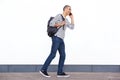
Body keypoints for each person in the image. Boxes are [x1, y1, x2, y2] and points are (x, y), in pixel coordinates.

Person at [40, 5, 74, 77]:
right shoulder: (59, 16)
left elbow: (72, 27)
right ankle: (43, 69)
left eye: (70, 9)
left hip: (61, 39)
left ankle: (60, 72)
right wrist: (60, 24)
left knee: (63, 55)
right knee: (53, 54)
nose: (70, 10)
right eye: (69, 9)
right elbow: (51, 23)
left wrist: (72, 18)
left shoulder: (66, 20)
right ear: (65, 9)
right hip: (56, 38)